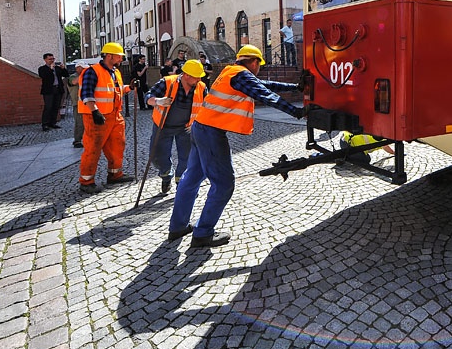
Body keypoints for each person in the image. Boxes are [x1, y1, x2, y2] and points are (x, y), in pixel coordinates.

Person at [168, 45, 306, 247]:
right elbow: (266, 95)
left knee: (192, 178)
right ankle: (203, 233)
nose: (259, 68)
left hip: (200, 127)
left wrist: (295, 88)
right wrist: (298, 113)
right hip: (211, 133)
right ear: (254, 62)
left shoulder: (231, 71)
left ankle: (178, 227)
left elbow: (264, 84)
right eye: (259, 64)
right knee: (224, 184)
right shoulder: (241, 75)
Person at [77, 42, 135, 194]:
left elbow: (116, 90)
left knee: (117, 145)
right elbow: (86, 92)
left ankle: (115, 174)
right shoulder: (92, 71)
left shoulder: (115, 72)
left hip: (114, 116)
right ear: (109, 56)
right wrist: (94, 111)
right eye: (119, 56)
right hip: (96, 117)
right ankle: (86, 181)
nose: (121, 59)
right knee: (93, 148)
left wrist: (130, 88)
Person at [146, 59, 208, 194]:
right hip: (163, 126)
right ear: (186, 75)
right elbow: (148, 96)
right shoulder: (167, 82)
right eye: (197, 77)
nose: (199, 79)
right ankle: (166, 175)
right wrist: (158, 101)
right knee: (158, 156)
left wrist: (198, 123)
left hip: (186, 128)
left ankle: (183, 185)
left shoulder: (201, 87)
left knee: (187, 158)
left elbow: (206, 107)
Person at [38, 53, 69, 131]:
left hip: (58, 89)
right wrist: (51, 69)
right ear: (45, 60)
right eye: (50, 59)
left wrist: (63, 68)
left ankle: (53, 123)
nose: (52, 60)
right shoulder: (42, 68)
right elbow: (43, 76)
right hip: (48, 90)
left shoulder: (57, 68)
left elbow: (66, 75)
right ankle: (45, 124)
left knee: (56, 107)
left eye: (53, 59)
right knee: (48, 107)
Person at [67, 62, 90, 147]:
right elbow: (73, 82)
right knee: (79, 123)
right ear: (78, 68)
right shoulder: (73, 76)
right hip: (77, 103)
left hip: (86, 102)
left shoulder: (84, 76)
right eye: (83, 68)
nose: (85, 70)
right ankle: (77, 140)